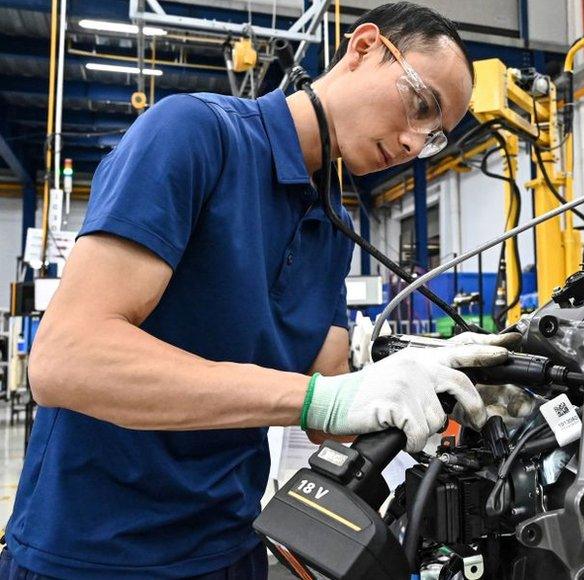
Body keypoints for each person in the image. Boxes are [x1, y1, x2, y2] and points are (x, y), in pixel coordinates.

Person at [1, 3, 514, 578]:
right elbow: (67, 359)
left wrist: (427, 372)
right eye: (420, 105)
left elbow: (330, 410)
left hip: (231, 546)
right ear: (364, 46)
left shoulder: (332, 229)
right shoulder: (196, 134)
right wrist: (322, 397)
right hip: (92, 553)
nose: (415, 142)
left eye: (436, 137)